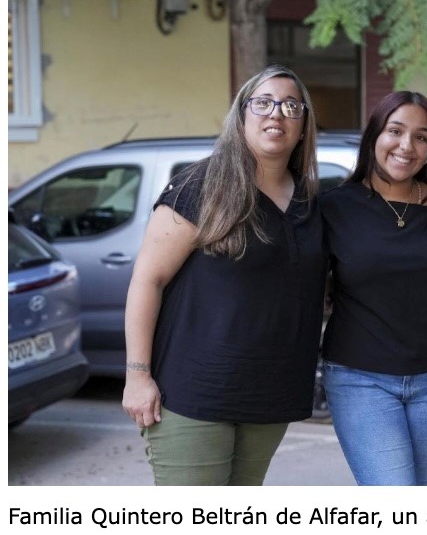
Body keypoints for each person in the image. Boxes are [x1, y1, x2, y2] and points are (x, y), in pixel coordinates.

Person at [122, 64, 326, 485]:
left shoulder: (310, 201)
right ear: (242, 115)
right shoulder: (201, 185)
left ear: (304, 124)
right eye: (264, 103)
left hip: (270, 396)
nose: (277, 114)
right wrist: (137, 375)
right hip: (193, 393)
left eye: (291, 105)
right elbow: (148, 280)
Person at [320, 91, 427, 485]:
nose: (407, 146)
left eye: (421, 137)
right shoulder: (333, 207)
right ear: (374, 137)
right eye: (395, 131)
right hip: (360, 377)